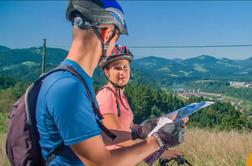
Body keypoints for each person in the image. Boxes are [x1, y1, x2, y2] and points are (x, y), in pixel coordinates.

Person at [36, 0, 185, 165]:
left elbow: (99, 137)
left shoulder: (69, 80)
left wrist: (139, 132)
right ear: (108, 34)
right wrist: (159, 141)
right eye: (117, 37)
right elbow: (101, 162)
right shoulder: (69, 88)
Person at [96, 45, 186, 164]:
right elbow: (115, 136)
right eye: (117, 68)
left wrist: (161, 122)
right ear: (107, 72)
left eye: (125, 67)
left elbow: (131, 129)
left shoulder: (120, 96)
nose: (122, 72)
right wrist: (156, 152)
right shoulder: (106, 95)